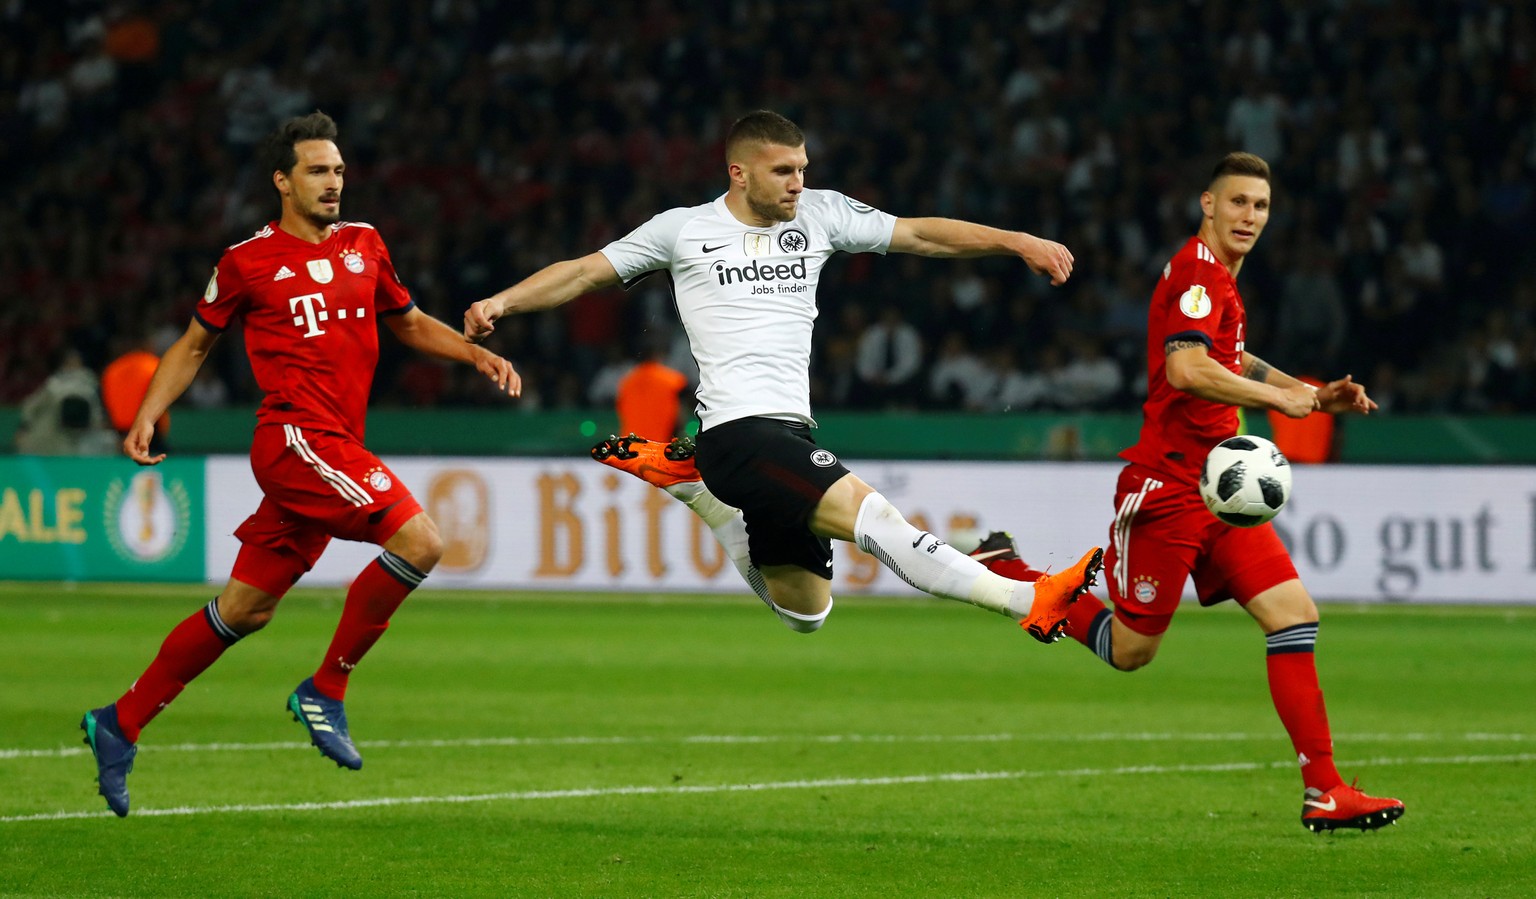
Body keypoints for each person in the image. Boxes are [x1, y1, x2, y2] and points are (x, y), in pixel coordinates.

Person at [466, 109, 1102, 640]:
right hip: (738, 434)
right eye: (783, 171)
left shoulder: (820, 215)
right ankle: (1029, 601)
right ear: (738, 174)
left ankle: (706, 503)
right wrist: (502, 302)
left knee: (806, 611)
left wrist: (1014, 239)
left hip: (788, 435)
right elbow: (582, 272)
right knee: (877, 522)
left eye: (803, 169)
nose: (798, 183)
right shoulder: (684, 230)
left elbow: (919, 235)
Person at [80, 111, 520, 817]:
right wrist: (146, 411)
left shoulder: (365, 245)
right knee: (423, 540)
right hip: (295, 437)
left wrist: (474, 352)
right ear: (282, 180)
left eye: (339, 170)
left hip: (331, 443)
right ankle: (327, 687)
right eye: (318, 170)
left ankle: (119, 720)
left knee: (245, 609)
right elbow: (193, 345)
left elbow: (405, 321)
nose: (333, 182)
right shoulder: (246, 261)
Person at [979, 152, 1402, 832]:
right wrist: (1276, 401)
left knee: (1293, 613)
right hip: (1171, 487)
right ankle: (1012, 573)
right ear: (1208, 204)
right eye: (1237, 203)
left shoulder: (1220, 283)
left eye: (1260, 207)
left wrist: (1310, 394)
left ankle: (1325, 789)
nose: (1250, 217)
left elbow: (1228, 356)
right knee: (1130, 651)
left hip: (1221, 486)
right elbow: (1188, 366)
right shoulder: (1197, 278)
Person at [100, 330, 169, 455]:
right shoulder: (153, 364)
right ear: (145, 344)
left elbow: (106, 402)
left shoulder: (112, 369)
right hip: (149, 431)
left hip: (120, 433)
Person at [614, 335, 690, 440]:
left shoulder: (626, 381)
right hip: (659, 446)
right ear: (657, 354)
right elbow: (680, 415)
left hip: (630, 446)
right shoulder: (672, 380)